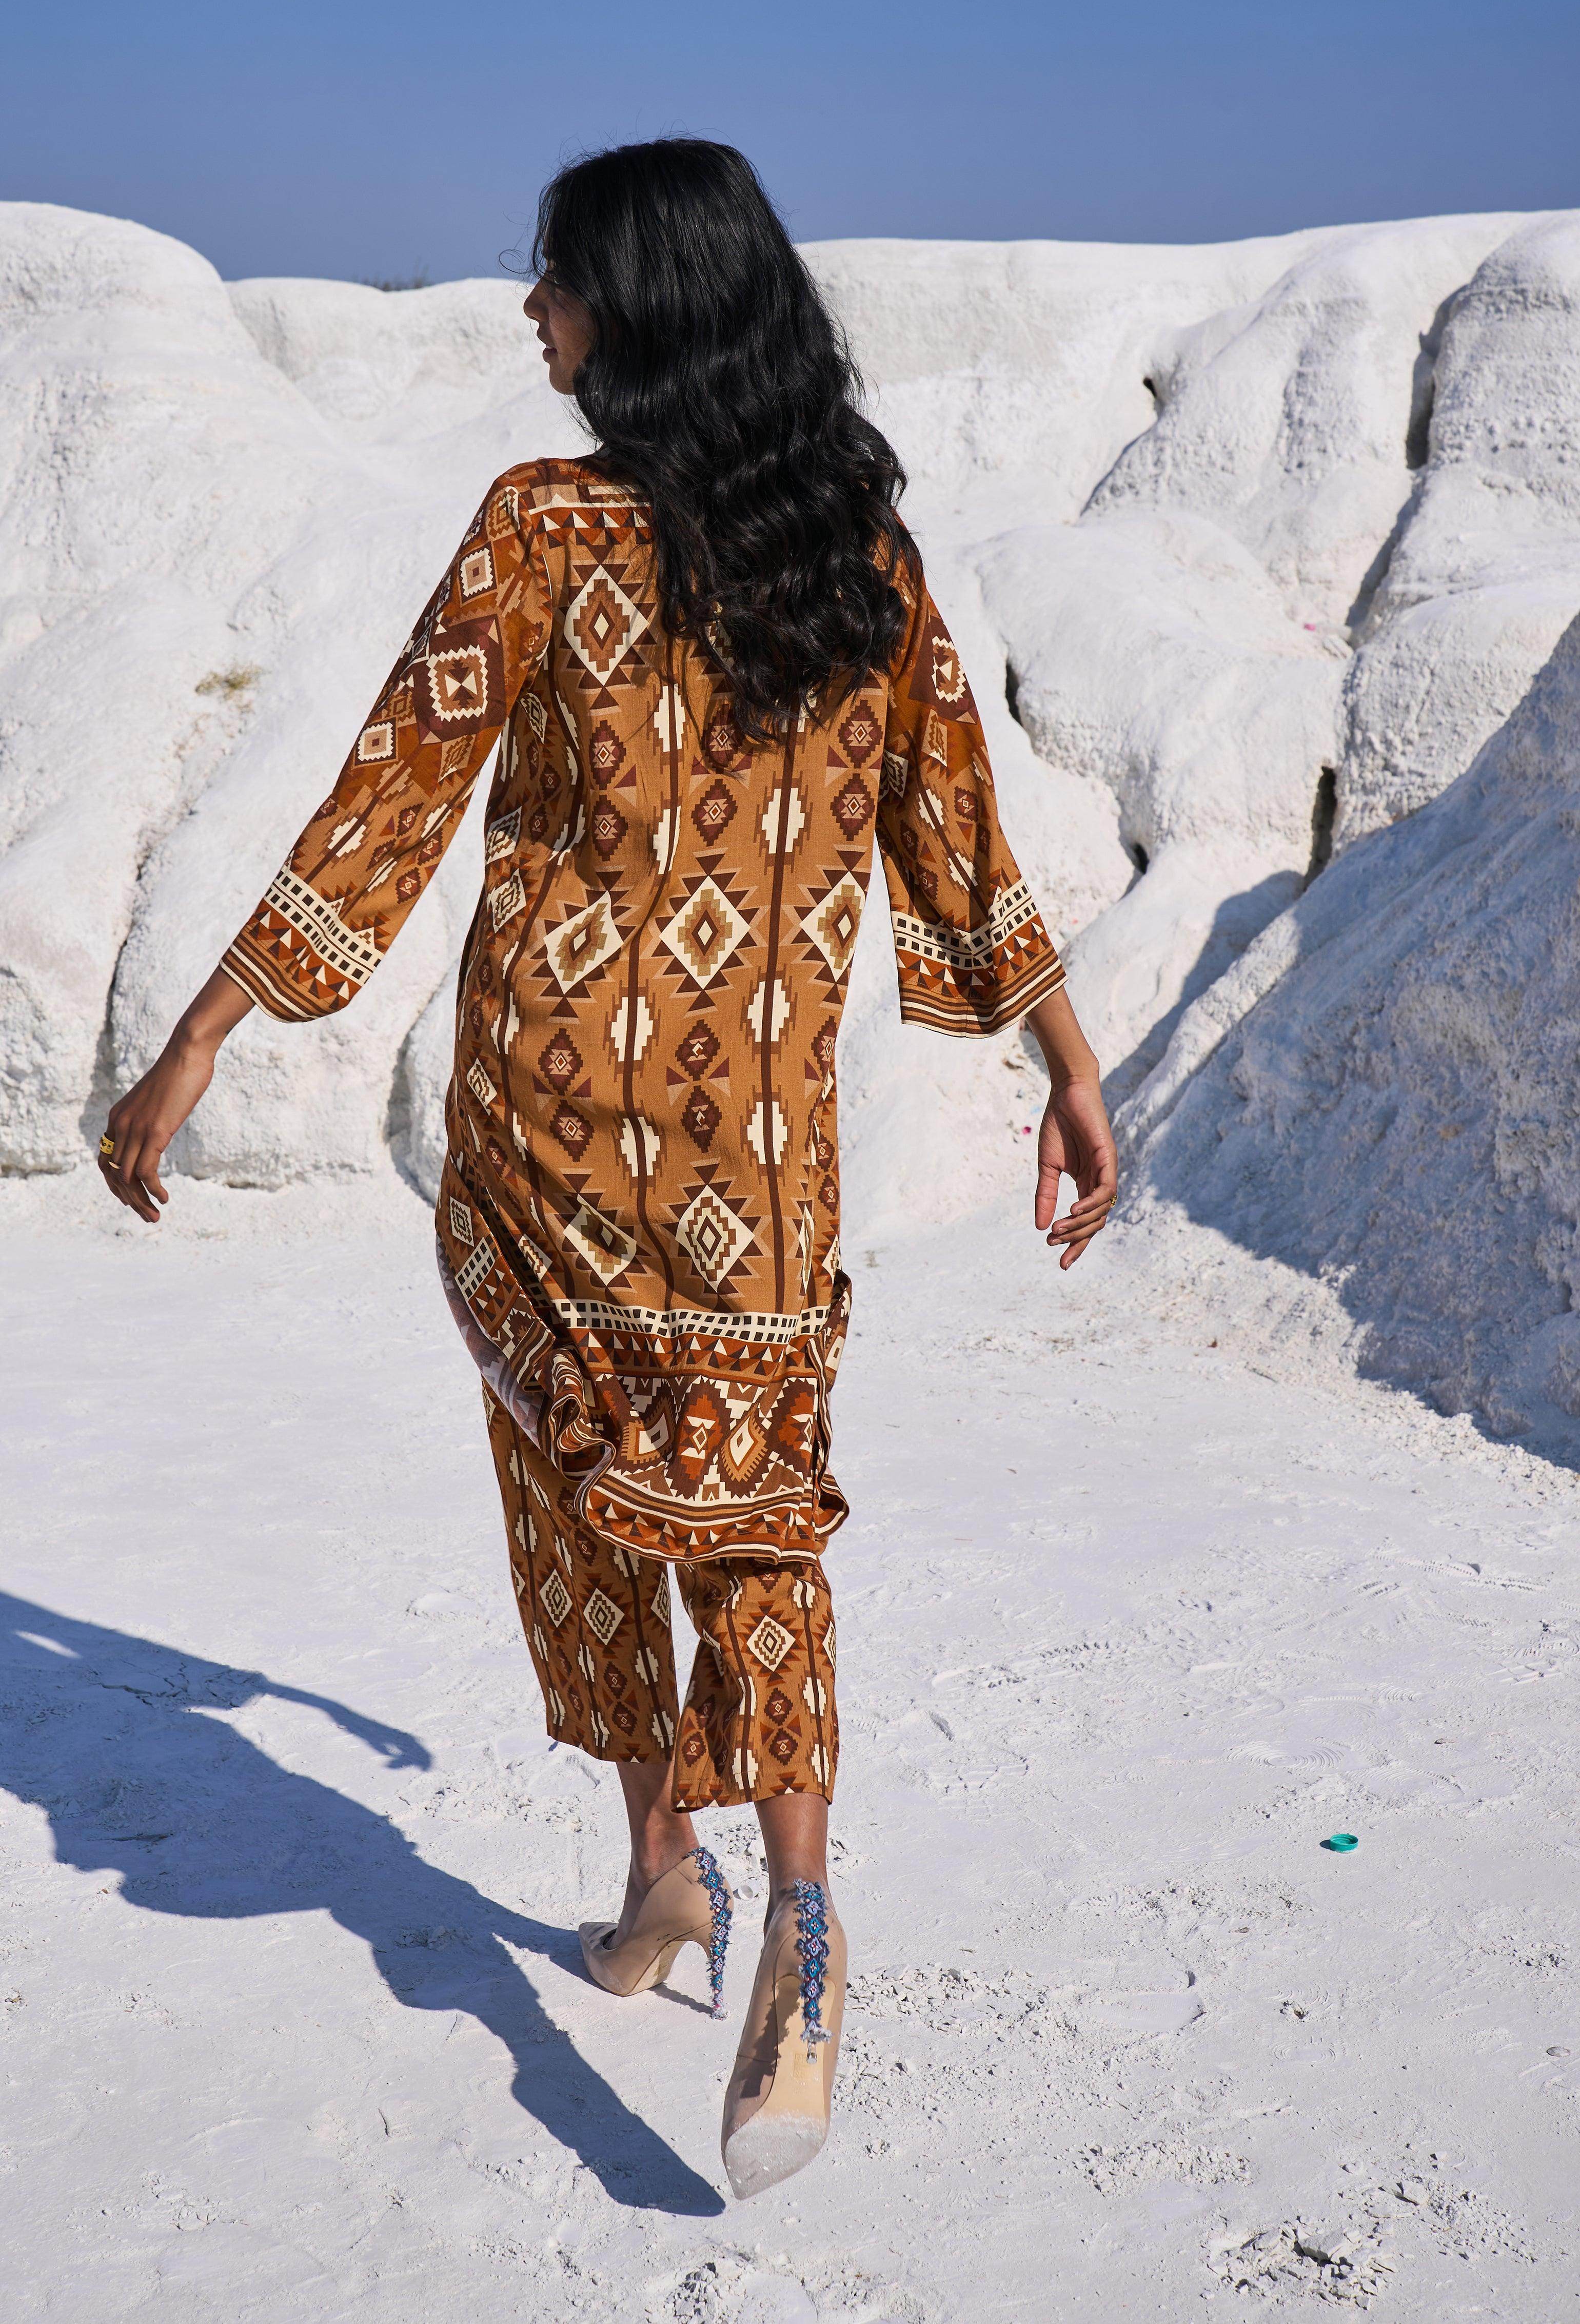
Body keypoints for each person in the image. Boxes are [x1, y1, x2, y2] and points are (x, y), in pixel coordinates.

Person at [97, 139, 1117, 2198]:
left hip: (542, 1144)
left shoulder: (539, 529)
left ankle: (677, 1855)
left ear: (637, 306)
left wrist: (200, 1030)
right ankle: (765, 1902)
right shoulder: (857, 557)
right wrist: (1069, 1064)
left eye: (553, 277)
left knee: (567, 1474)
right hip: (759, 1171)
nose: (529, 310)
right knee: (756, 1521)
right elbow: (956, 834)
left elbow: (387, 795)